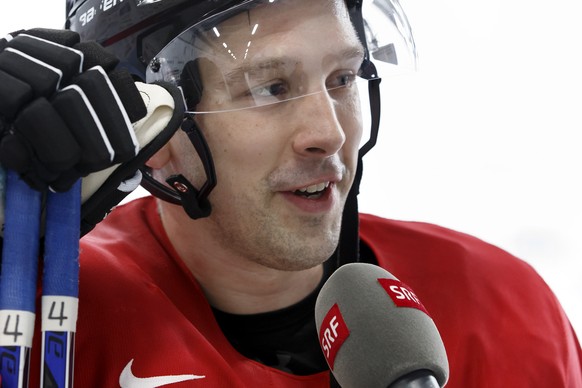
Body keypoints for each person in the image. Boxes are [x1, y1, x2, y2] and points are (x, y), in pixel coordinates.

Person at [0, 0, 580, 387]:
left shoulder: (506, 308)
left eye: (344, 79)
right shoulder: (50, 317)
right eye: (271, 87)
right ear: (155, 132)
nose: (328, 132)